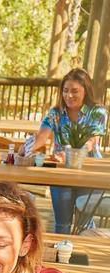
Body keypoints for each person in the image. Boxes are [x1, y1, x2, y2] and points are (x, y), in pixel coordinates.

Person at [22, 68, 107, 234]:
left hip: (89, 173)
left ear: (86, 91)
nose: (69, 96)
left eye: (75, 91)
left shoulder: (98, 112)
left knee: (84, 224)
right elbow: (41, 138)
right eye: (65, 91)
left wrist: (72, 153)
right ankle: (62, 258)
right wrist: (26, 148)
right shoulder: (55, 113)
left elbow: (91, 141)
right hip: (61, 173)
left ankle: (81, 255)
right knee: (62, 224)